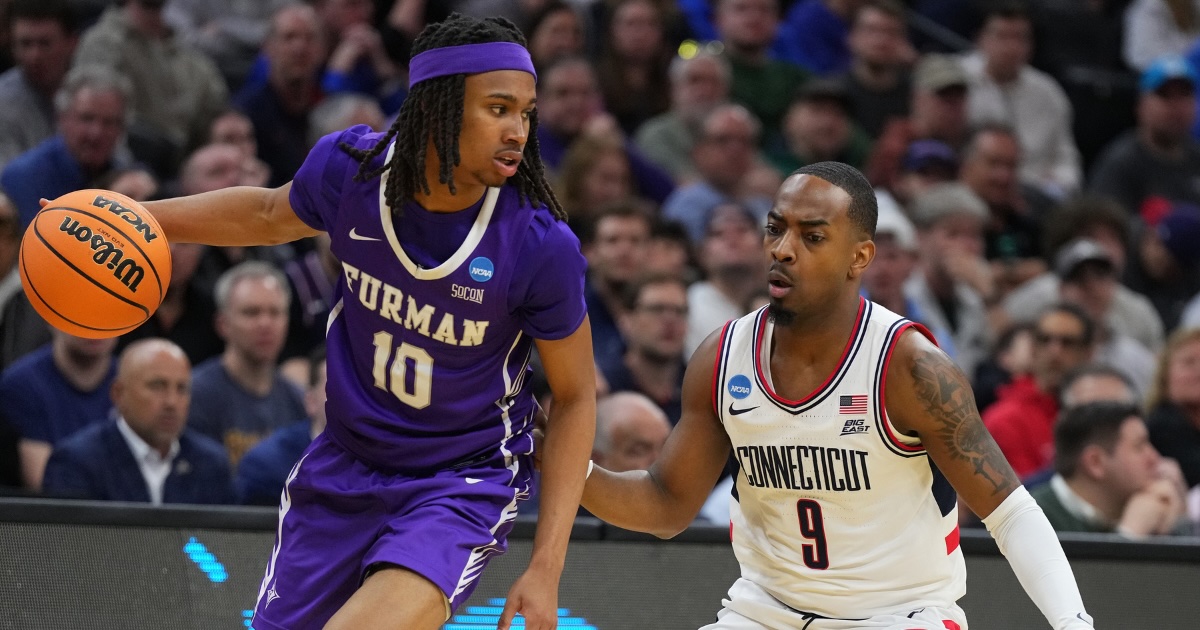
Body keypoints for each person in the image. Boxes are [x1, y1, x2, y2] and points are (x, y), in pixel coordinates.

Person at [127, 14, 594, 630]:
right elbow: (267, 213)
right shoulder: (350, 171)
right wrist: (131, 216)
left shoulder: (538, 244)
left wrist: (547, 566)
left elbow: (576, 393)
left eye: (525, 112)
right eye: (498, 108)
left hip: (457, 482)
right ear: (440, 106)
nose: (518, 131)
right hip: (344, 464)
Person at [580, 162, 1093, 629]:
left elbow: (1011, 512)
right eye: (776, 228)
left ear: (859, 257)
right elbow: (666, 504)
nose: (783, 248)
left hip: (898, 615)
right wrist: (571, 468)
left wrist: (1072, 622)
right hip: (764, 612)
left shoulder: (908, 366)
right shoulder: (722, 358)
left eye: (812, 236)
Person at [41, 338, 237, 505]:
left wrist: (187, 550)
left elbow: (217, 545)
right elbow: (74, 545)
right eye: (157, 386)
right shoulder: (78, 462)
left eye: (181, 389)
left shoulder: (210, 463)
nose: (171, 402)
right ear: (118, 393)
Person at [1031, 402, 1187, 537]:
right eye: (1140, 446)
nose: (1155, 458)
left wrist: (1178, 522)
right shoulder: (1033, 518)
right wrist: (1129, 534)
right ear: (1095, 463)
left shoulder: (1151, 502)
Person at [238, 347, 328, 506]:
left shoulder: (382, 460)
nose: (349, 396)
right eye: (337, 386)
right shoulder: (268, 467)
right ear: (311, 401)